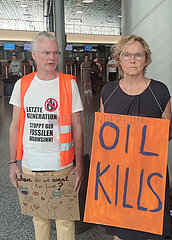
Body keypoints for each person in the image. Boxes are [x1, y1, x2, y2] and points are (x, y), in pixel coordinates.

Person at [100, 34, 172, 240]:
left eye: (138, 55)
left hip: (149, 175)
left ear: (146, 59)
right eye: (127, 55)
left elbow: (164, 135)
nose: (133, 59)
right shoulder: (109, 91)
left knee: (149, 231)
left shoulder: (159, 91)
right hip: (118, 176)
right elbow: (103, 136)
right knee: (120, 232)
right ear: (119, 59)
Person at [9, 32, 84, 240]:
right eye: (45, 53)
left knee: (65, 221)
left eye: (55, 53)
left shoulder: (69, 84)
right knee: (39, 218)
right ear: (34, 55)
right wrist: (12, 162)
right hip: (31, 165)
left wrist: (80, 165)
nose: (51, 57)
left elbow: (77, 126)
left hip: (63, 167)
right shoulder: (22, 85)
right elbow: (14, 126)